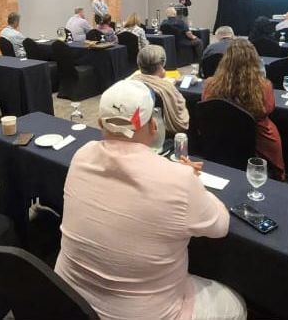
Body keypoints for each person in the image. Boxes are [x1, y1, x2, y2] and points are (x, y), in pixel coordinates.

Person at [55, 80, 245, 320]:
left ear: (100, 123)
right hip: (147, 314)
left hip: (69, 302)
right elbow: (220, 226)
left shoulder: (81, 156)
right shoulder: (180, 180)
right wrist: (192, 183)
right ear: (153, 126)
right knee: (235, 303)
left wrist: (179, 177)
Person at [202, 39, 285, 180]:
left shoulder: (210, 85)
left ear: (225, 60)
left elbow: (207, 105)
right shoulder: (264, 87)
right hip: (258, 143)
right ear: (255, 60)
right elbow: (268, 109)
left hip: (220, 140)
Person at [129, 45, 189, 134]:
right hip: (160, 134)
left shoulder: (131, 81)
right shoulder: (167, 88)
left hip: (135, 131)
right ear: (162, 64)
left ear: (139, 63)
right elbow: (180, 113)